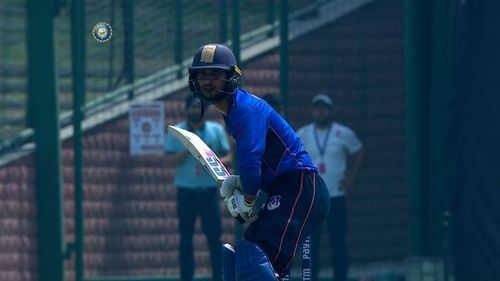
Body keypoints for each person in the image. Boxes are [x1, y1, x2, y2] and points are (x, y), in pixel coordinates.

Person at [187, 43, 330, 281]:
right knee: (244, 256)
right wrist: (244, 182)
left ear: (231, 77)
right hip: (286, 188)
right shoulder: (233, 110)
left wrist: (249, 197)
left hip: (300, 188)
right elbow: (263, 163)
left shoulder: (244, 109)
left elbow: (251, 160)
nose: (208, 81)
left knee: (257, 260)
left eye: (215, 74)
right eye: (203, 74)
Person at [297, 94, 364, 281]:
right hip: (313, 198)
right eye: (317, 107)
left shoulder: (343, 133)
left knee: (339, 243)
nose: (320, 111)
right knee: (311, 244)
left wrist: (350, 178)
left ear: (331, 110)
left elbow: (359, 152)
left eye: (324, 107)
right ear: (312, 111)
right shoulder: (303, 133)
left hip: (336, 196)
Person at [164, 95, 232, 281]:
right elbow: (168, 161)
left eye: (198, 107)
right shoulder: (178, 132)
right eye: (191, 108)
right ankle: (187, 277)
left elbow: (228, 158)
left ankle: (219, 277)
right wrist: (190, 149)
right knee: (186, 240)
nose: (195, 111)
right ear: (186, 110)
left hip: (209, 193)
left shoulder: (216, 131)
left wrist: (210, 161)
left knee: (214, 239)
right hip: (186, 193)